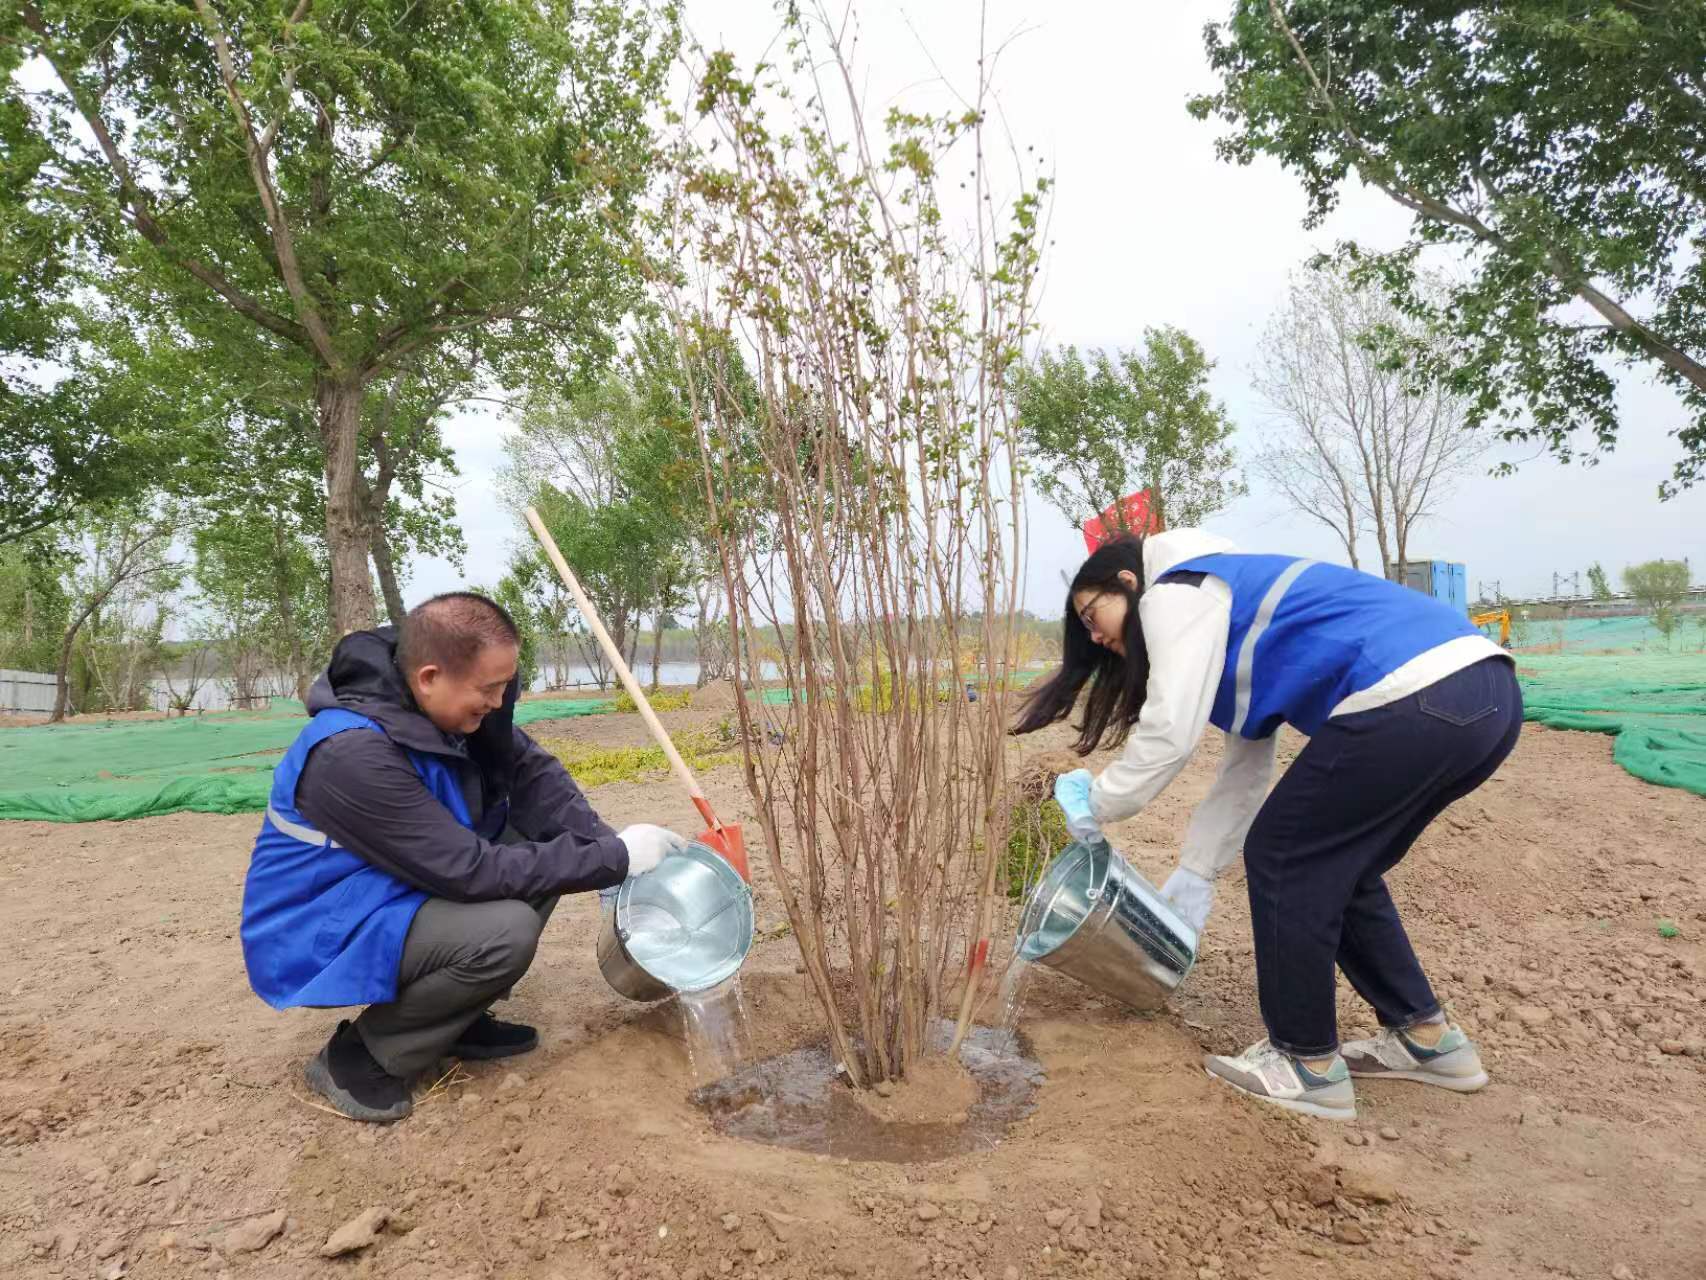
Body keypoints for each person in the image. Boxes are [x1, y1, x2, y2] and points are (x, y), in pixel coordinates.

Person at [1014, 530, 1520, 1121]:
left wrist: (1097, 803)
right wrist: (1196, 874)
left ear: (1128, 582)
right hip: (1485, 697)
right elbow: (1245, 770)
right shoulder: (1230, 616)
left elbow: (1170, 729)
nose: (1095, 635)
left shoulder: (1178, 591)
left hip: (1414, 691)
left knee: (1286, 855)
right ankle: (1428, 1040)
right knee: (1339, 867)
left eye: (1091, 614)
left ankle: (1305, 1063)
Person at [240, 592, 689, 1123]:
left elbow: (533, 779)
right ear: (430, 677)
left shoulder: (447, 709)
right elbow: (469, 871)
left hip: (392, 882)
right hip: (321, 919)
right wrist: (612, 858)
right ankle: (362, 1055)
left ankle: (452, 1018)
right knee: (504, 932)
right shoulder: (350, 753)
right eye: (489, 689)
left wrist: (608, 851)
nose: (499, 702)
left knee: (544, 842)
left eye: (506, 685)